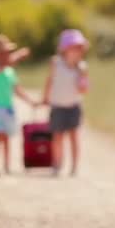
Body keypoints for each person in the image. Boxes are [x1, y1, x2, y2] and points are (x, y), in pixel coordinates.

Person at [0, 34, 38, 177]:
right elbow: (1, 66)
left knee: (7, 137)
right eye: (4, 53)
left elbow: (16, 89)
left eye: (8, 53)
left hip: (8, 109)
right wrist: (18, 56)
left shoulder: (10, 71)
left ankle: (6, 166)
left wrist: (30, 101)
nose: (7, 55)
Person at [43, 29, 90, 176]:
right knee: (57, 137)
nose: (77, 52)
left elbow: (83, 89)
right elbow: (50, 80)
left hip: (73, 107)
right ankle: (57, 164)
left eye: (79, 49)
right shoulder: (56, 63)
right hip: (58, 106)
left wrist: (82, 80)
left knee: (74, 137)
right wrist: (46, 96)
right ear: (65, 50)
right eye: (74, 48)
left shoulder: (82, 67)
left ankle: (74, 166)